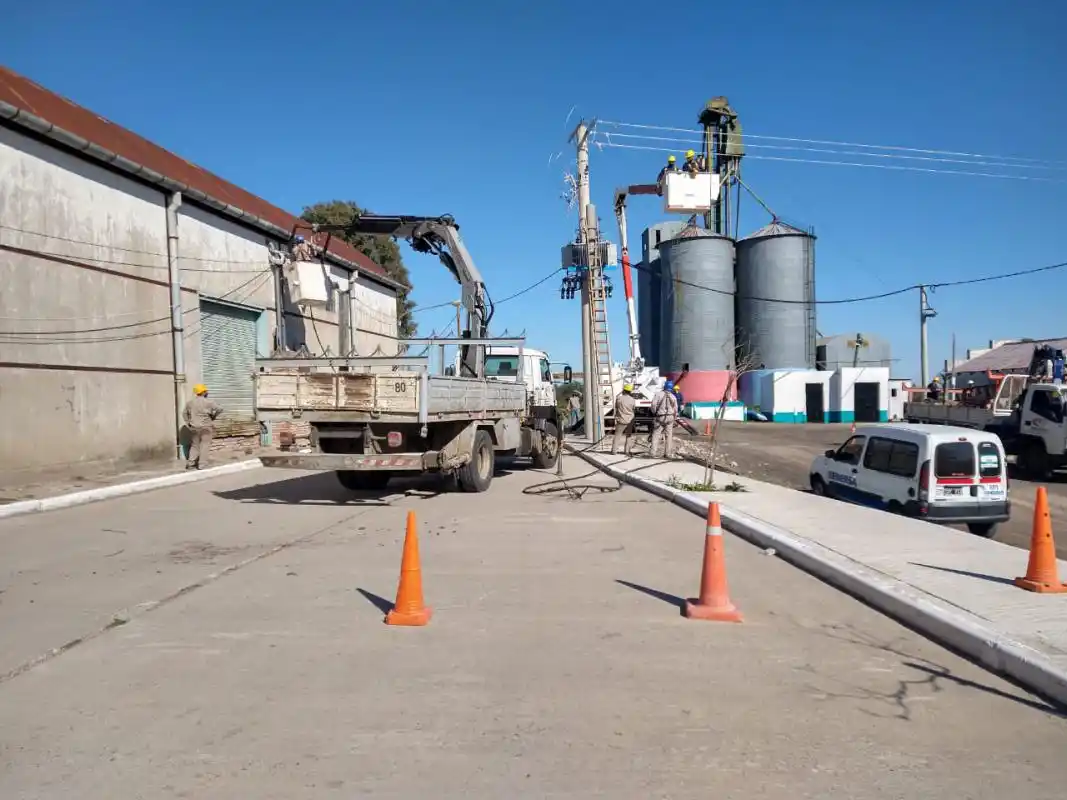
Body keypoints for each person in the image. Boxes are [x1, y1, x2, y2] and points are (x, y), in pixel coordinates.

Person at [183, 384, 223, 470]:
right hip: (206, 428)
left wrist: (188, 422)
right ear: (204, 392)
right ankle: (202, 464)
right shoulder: (209, 402)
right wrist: (214, 416)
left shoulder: (190, 403)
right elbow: (220, 409)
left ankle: (190, 463)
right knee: (205, 445)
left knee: (195, 445)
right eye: (206, 391)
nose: (207, 392)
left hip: (194, 427)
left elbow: (184, 413)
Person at [650, 381, 679, 459]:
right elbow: (676, 409)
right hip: (670, 417)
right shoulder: (673, 396)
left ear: (664, 386)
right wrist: (674, 418)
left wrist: (654, 412)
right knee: (669, 436)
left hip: (660, 417)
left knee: (656, 434)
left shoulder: (658, 394)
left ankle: (653, 453)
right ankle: (667, 453)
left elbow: (653, 405)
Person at [611, 384, 637, 455]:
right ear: (630, 391)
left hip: (621, 420)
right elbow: (633, 409)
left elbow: (616, 407)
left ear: (624, 390)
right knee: (628, 436)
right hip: (630, 420)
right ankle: (627, 451)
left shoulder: (619, 399)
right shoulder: (632, 400)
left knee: (617, 436)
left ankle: (614, 451)